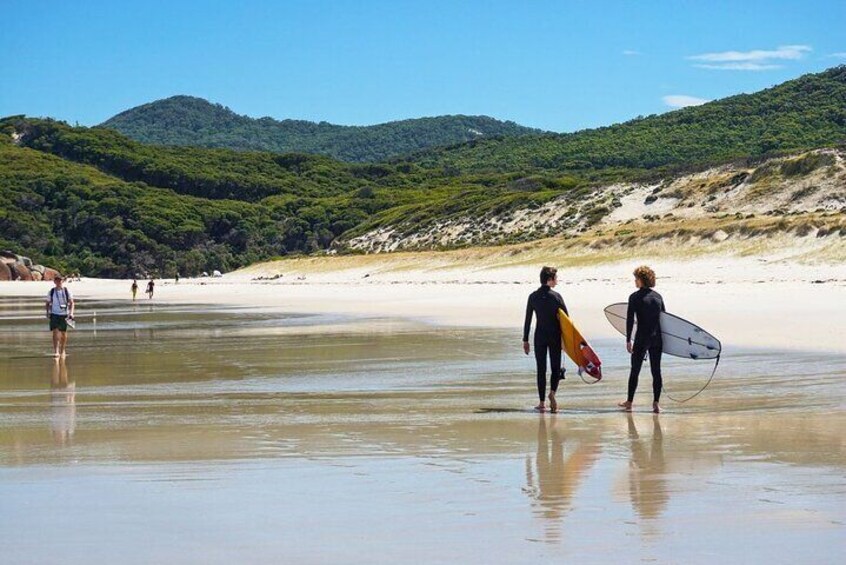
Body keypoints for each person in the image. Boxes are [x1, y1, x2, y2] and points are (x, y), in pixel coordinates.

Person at [619, 265, 665, 414]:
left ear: (641, 280)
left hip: (642, 338)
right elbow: (665, 320)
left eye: (636, 279)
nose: (634, 281)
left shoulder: (634, 297)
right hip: (657, 338)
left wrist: (628, 339)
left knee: (635, 370)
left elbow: (630, 320)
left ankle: (629, 402)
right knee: (656, 371)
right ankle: (656, 404)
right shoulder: (658, 297)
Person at [523, 266, 568, 413]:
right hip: (555, 336)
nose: (557, 281)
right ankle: (553, 393)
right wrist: (566, 340)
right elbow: (566, 320)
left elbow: (528, 320)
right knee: (555, 368)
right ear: (550, 279)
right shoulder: (556, 297)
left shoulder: (533, 296)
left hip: (539, 336)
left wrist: (525, 340)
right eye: (556, 278)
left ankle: (542, 403)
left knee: (541, 369)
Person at [46, 275, 74, 358]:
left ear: (63, 281)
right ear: (54, 281)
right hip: (54, 314)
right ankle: (56, 351)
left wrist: (71, 313)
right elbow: (47, 303)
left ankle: (63, 350)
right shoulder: (51, 291)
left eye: (60, 280)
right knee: (55, 332)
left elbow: (72, 302)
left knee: (63, 333)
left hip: (64, 314)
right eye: (57, 280)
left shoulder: (67, 291)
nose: (59, 282)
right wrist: (47, 312)